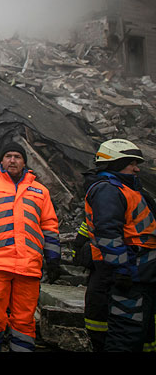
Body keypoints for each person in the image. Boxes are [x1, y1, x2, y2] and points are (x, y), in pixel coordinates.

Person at [0, 141, 60, 352]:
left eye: (17, 156)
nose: (12, 160)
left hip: (29, 267)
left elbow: (50, 226)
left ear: (24, 161)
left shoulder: (40, 191)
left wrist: (53, 258)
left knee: (24, 322)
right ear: (1, 160)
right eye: (8, 156)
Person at [84, 138, 156, 352]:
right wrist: (121, 270)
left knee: (142, 335)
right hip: (130, 276)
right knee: (126, 336)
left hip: (142, 276)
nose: (136, 168)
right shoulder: (108, 190)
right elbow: (108, 234)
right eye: (130, 163)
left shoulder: (128, 190)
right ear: (114, 164)